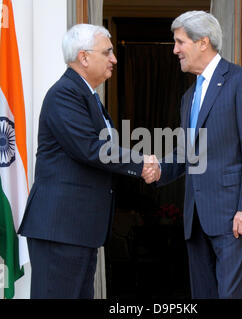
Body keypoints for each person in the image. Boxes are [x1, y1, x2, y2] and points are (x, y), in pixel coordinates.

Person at [18, 24, 159, 299]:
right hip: (61, 230)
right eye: (107, 52)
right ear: (83, 57)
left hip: (78, 231)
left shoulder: (87, 96)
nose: (114, 59)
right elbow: (90, 148)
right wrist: (141, 163)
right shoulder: (64, 94)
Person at [153, 11, 242, 298]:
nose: (175, 50)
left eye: (180, 42)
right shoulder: (189, 97)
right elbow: (186, 153)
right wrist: (154, 168)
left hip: (236, 218)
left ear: (202, 42)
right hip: (197, 221)